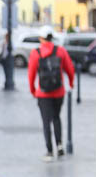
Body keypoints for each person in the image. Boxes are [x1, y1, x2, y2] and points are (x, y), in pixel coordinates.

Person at [28, 32, 75, 162]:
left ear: (40, 38)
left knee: (46, 121)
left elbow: (31, 73)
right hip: (59, 92)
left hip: (43, 93)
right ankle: (60, 146)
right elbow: (70, 68)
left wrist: (33, 90)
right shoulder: (60, 51)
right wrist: (71, 82)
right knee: (56, 118)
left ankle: (49, 151)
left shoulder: (35, 53)